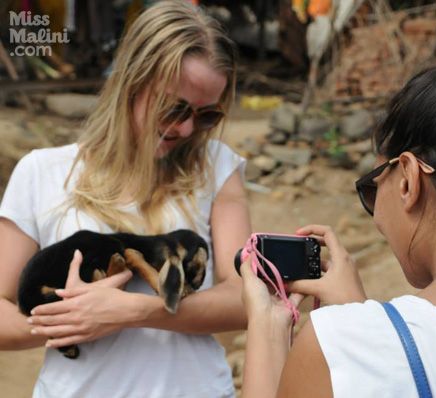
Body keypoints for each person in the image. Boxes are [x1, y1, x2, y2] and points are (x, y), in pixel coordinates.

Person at [239, 16, 436, 398]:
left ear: (408, 178)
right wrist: (363, 320)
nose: (375, 211)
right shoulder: (361, 344)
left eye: (372, 187)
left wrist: (269, 326)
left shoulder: (343, 349)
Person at [0, 2, 250, 397]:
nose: (186, 128)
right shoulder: (42, 172)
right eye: (174, 108)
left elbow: (244, 298)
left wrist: (136, 312)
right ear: (131, 82)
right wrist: (73, 318)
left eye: (206, 116)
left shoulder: (217, 167)